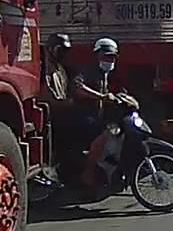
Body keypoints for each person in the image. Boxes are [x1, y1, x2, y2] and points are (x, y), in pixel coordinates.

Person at [71, 38, 126, 195]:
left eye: (112, 57)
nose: (110, 60)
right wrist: (101, 96)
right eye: (106, 57)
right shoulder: (89, 71)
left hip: (97, 116)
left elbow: (120, 91)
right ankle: (88, 174)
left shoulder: (107, 74)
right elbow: (77, 87)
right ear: (97, 55)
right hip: (83, 117)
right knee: (106, 133)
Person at [35, 33, 75, 187]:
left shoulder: (59, 67)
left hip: (61, 113)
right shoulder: (43, 66)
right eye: (61, 50)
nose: (64, 54)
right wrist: (64, 103)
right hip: (49, 114)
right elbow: (46, 94)